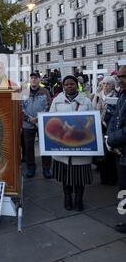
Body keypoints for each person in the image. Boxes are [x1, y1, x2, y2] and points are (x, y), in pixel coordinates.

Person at [50, 75, 93, 211]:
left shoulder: (86, 101)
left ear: (76, 85)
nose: (69, 86)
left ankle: (79, 199)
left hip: (81, 145)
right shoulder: (57, 101)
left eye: (72, 84)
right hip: (63, 146)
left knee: (80, 175)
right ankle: (67, 197)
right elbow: (51, 120)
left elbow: (92, 121)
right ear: (63, 86)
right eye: (67, 84)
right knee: (65, 174)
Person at [22, 72, 52, 178]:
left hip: (42, 123)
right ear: (29, 80)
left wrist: (39, 118)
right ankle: (31, 168)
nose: (33, 80)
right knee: (29, 148)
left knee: (45, 147)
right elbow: (19, 107)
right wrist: (29, 119)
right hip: (27, 124)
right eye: (32, 78)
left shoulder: (45, 91)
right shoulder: (23, 92)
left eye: (35, 78)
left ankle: (46, 169)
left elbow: (48, 106)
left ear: (39, 79)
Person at [107, 66, 126, 233]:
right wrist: (110, 138)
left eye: (124, 76)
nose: (120, 79)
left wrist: (111, 139)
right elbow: (114, 119)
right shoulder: (122, 96)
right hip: (120, 152)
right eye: (119, 76)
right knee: (123, 187)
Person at [92, 76, 118, 185]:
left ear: (113, 85)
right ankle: (104, 177)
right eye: (104, 83)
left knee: (111, 153)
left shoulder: (116, 96)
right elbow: (93, 109)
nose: (105, 86)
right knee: (101, 153)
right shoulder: (98, 96)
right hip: (99, 127)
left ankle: (112, 177)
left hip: (110, 128)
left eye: (108, 83)